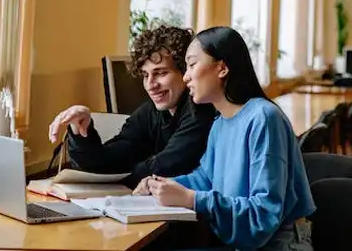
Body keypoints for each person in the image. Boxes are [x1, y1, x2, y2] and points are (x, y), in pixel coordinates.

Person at [142, 26, 315, 251]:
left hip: (278, 245)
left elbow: (263, 215)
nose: (185, 78)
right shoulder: (220, 123)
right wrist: (162, 185)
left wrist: (191, 199)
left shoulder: (263, 118)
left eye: (192, 65)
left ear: (222, 68)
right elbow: (206, 178)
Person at [47, 25, 216, 188]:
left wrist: (123, 177)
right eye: (145, 75)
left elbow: (170, 164)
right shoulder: (149, 112)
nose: (150, 85)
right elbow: (107, 160)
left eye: (161, 73)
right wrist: (81, 130)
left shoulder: (201, 109)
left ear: (186, 72)